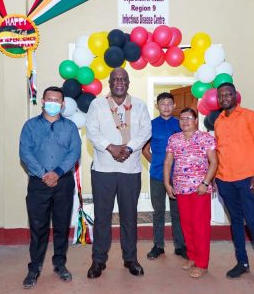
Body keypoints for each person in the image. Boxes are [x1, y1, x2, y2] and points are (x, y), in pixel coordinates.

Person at [85, 67, 151, 278]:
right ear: (110, 82)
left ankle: (130, 259)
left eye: (123, 79)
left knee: (129, 216)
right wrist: (111, 147)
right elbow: (92, 131)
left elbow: (145, 131)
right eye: (115, 79)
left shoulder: (139, 105)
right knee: (102, 216)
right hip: (103, 169)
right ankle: (98, 261)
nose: (119, 82)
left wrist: (129, 148)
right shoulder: (97, 104)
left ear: (128, 82)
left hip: (130, 170)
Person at [214, 82, 254, 290]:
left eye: (228, 94)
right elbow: (220, 152)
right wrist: (216, 178)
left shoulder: (251, 116)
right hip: (225, 180)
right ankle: (242, 262)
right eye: (221, 96)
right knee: (236, 222)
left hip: (247, 179)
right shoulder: (219, 122)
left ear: (235, 96)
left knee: (253, 223)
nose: (224, 98)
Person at [19, 86, 81, 289]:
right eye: (50, 99)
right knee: (38, 228)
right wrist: (44, 173)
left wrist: (57, 172)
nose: (53, 103)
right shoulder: (30, 126)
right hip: (38, 182)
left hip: (63, 182)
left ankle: (59, 265)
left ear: (63, 105)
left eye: (57, 100)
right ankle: (34, 268)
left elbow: (74, 152)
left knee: (62, 227)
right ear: (43, 102)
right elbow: (25, 153)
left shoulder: (70, 127)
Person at [163, 107, 218, 278]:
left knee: (200, 225)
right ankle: (192, 257)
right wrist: (167, 183)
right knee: (186, 224)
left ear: (196, 120)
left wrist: (205, 182)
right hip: (180, 188)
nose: (184, 121)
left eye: (188, 118)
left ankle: (202, 263)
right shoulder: (174, 139)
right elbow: (168, 163)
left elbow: (214, 162)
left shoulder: (206, 138)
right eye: (181, 118)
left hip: (200, 189)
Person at [142, 92, 187, 260]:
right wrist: (157, 163)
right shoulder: (150, 125)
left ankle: (180, 246)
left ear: (174, 106)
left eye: (169, 103)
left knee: (178, 213)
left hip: (179, 177)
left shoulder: (181, 124)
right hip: (157, 175)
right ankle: (158, 245)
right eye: (163, 103)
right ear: (157, 106)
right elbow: (145, 150)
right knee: (158, 211)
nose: (166, 106)